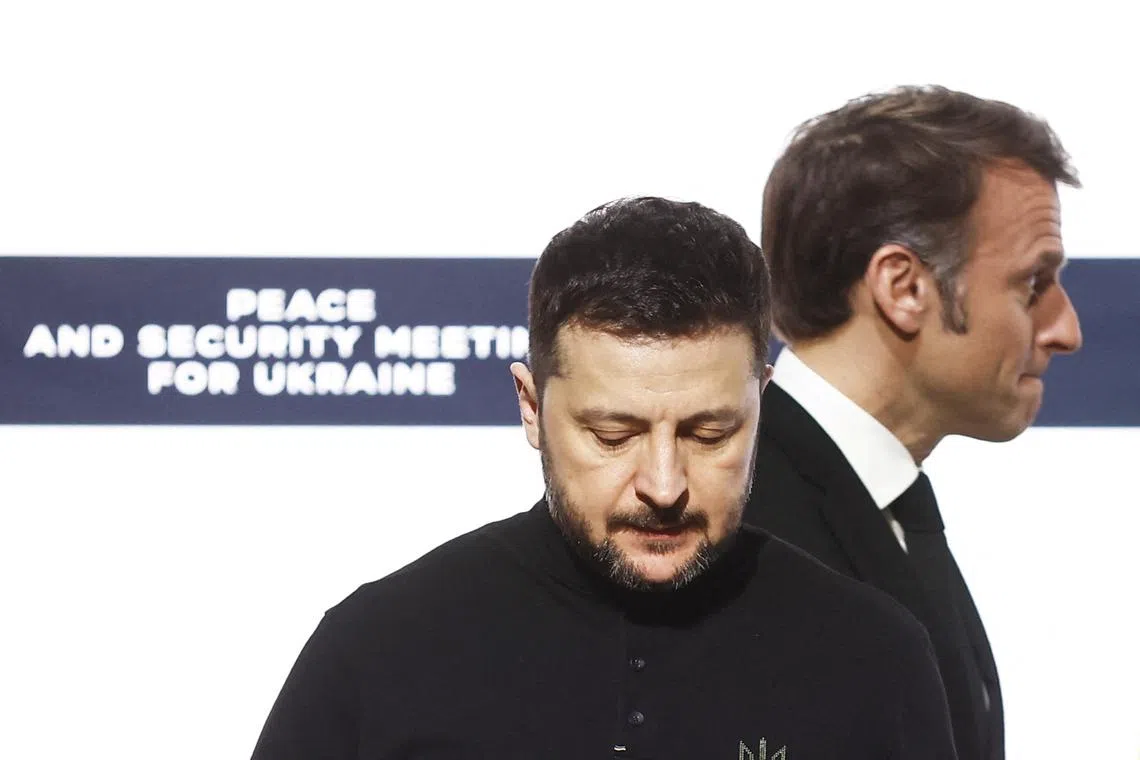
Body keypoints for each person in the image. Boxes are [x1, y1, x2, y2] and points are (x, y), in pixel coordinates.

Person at [251, 196, 957, 759]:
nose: (663, 483)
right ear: (532, 407)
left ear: (761, 404)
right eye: (613, 435)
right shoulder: (379, 651)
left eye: (709, 433)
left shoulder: (874, 658)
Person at [745, 85, 1084, 760]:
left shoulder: (881, 503)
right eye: (1032, 284)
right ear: (903, 288)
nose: (1065, 328)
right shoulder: (737, 524)